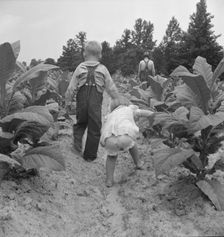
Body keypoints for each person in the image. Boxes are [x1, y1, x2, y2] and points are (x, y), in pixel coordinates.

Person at [65, 41, 119, 162]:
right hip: (95, 104)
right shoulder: (103, 69)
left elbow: (71, 88)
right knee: (95, 128)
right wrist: (117, 99)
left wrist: (67, 102)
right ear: (100, 55)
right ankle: (89, 155)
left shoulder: (80, 67)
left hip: (81, 103)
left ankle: (77, 146)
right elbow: (111, 87)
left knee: (80, 123)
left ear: (85, 54)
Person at [100, 96, 155, 187]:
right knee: (132, 145)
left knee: (111, 157)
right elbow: (146, 113)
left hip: (109, 139)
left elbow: (104, 128)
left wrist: (103, 141)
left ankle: (109, 180)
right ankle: (138, 163)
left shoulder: (110, 115)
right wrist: (154, 115)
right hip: (125, 135)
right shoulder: (129, 109)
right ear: (127, 103)